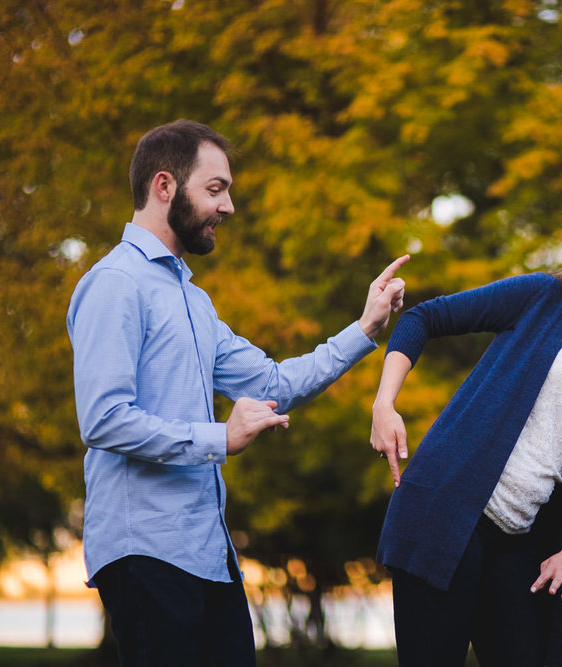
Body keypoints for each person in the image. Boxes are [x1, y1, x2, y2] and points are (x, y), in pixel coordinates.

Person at [66, 119, 408, 667]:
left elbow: (273, 384)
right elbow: (103, 420)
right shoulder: (116, 284)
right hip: (146, 551)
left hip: (209, 556)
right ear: (164, 187)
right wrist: (218, 438)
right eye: (215, 189)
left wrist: (365, 328)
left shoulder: (194, 302)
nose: (227, 206)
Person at [369, 209, 562, 666]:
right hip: (445, 513)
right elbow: (423, 318)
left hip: (518, 541)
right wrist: (384, 404)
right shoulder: (542, 297)